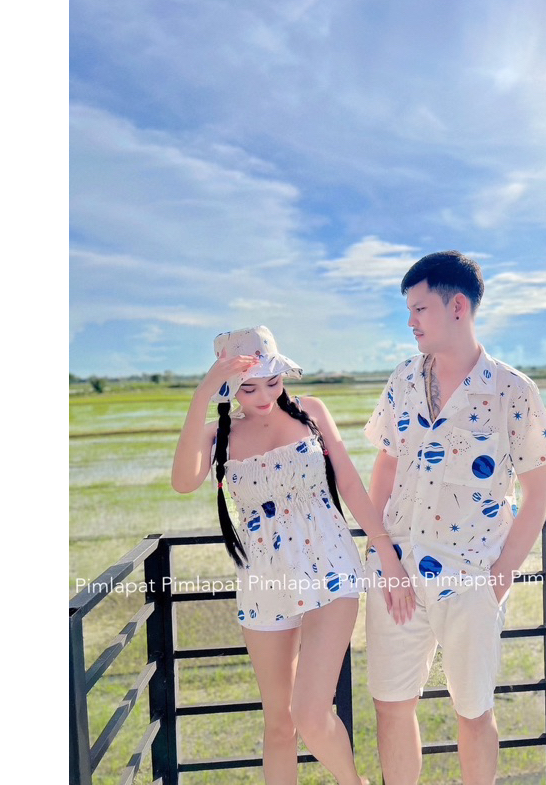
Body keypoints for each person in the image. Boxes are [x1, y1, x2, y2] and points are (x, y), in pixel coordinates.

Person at [171, 325, 414, 785]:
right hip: (264, 582)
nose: (264, 396)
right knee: (279, 724)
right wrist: (202, 393)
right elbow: (183, 482)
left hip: (331, 569)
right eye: (248, 388)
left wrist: (386, 552)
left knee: (309, 713)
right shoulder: (218, 434)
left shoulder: (311, 412)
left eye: (273, 381)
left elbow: (349, 483)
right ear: (229, 387)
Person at [363, 252, 546, 785]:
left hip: (471, 576)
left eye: (420, 308)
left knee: (473, 712)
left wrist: (498, 579)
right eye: (408, 310)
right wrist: (380, 553)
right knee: (391, 704)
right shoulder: (402, 380)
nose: (411, 321)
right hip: (396, 572)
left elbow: (538, 492)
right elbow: (385, 466)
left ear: (457, 306)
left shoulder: (512, 391)